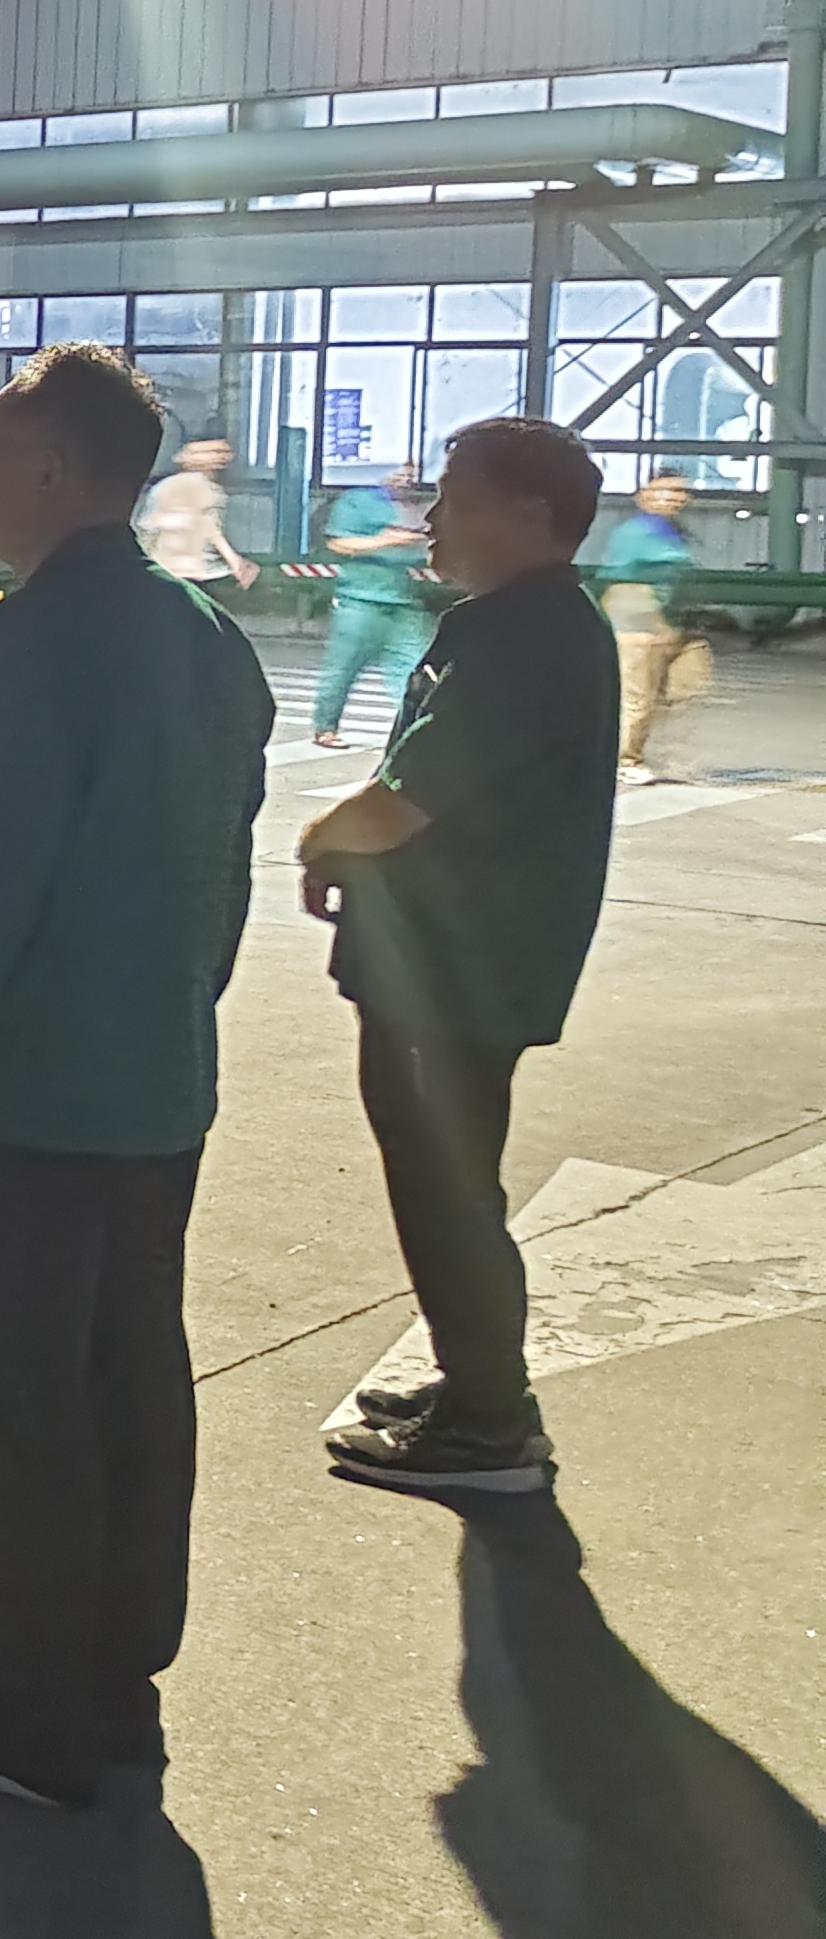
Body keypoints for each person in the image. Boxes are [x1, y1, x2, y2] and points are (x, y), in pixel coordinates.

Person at [0, 344, 274, 1813]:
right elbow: (224, 873)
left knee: (21, 1401)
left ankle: (26, 1722)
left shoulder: (23, 648)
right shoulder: (206, 641)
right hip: (156, 1082)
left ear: (47, 470)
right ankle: (112, 1696)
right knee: (130, 1384)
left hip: (29, 1095)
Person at [300, 416, 618, 1499]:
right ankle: (475, 1385)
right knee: (454, 1184)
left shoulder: (518, 633)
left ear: (530, 512)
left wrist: (318, 838)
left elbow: (406, 799)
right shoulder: (539, 620)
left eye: (454, 495)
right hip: (467, 963)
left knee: (446, 1194)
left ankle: (490, 1424)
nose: (432, 517)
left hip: (453, 971)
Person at [307, 465, 440, 748]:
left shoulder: (414, 507)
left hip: (404, 602)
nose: (405, 478)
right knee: (344, 667)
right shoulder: (357, 501)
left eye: (411, 473)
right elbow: (339, 543)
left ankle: (418, 729)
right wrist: (385, 540)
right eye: (400, 471)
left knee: (415, 668)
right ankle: (325, 726)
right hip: (360, 600)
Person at [593, 468, 708, 783]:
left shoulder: (674, 531)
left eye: (680, 492)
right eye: (665, 491)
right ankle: (626, 760)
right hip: (638, 614)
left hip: (671, 618)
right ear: (643, 496)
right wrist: (649, 623)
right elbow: (622, 578)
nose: (674, 498)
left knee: (686, 686)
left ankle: (655, 751)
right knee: (638, 697)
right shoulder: (635, 533)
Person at [139, 433, 255, 593]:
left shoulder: (166, 487)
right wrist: (235, 562)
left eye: (221, 452)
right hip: (189, 572)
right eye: (212, 452)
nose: (220, 457)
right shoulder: (203, 489)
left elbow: (147, 527)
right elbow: (210, 529)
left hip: (170, 569)